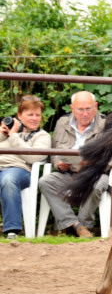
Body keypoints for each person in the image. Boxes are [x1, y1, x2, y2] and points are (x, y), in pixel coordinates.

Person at [38, 91, 110, 238]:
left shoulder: (107, 125)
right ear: (72, 109)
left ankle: (84, 225)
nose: (85, 113)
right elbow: (54, 152)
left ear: (96, 107)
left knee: (98, 185)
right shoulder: (62, 123)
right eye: (80, 109)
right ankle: (76, 226)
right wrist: (58, 164)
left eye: (88, 109)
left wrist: (91, 164)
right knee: (45, 181)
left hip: (93, 175)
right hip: (68, 174)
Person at [0, 95, 51, 239]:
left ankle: (12, 231)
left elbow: (34, 157)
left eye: (37, 115)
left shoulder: (42, 136)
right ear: (19, 115)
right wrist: (3, 134)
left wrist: (13, 136)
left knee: (8, 180)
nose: (34, 118)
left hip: (18, 170)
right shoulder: (5, 133)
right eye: (30, 115)